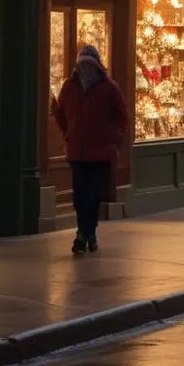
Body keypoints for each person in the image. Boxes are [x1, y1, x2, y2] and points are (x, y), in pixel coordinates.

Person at [52, 45, 128, 256]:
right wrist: (69, 133)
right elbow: (60, 113)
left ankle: (82, 235)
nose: (85, 68)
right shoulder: (70, 86)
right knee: (79, 196)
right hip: (77, 151)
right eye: (81, 64)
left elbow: (122, 115)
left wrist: (113, 138)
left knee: (92, 194)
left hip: (100, 152)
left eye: (89, 65)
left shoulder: (108, 87)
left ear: (96, 66)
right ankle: (89, 233)